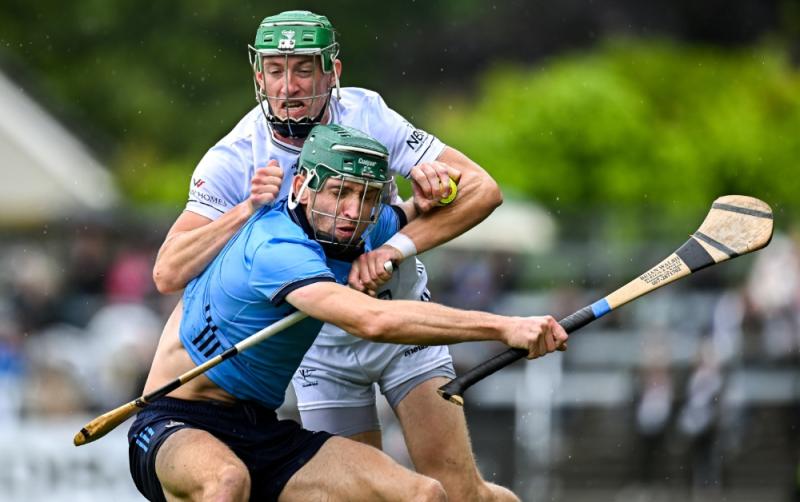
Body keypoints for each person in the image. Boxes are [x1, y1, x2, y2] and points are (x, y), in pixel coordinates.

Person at [151, 10, 514, 500]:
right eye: (276, 70)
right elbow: (169, 270)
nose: (288, 85)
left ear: (332, 73)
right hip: (320, 346)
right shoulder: (235, 157)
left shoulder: (366, 113)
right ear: (258, 75)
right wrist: (246, 209)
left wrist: (393, 245)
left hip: (401, 316)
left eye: (303, 68)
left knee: (457, 491)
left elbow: (481, 189)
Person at [130, 124, 568, 501]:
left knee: (425, 494)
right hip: (175, 419)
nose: (353, 212)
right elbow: (371, 320)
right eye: (340, 192)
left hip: (260, 429)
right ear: (302, 186)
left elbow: (432, 206)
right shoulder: (276, 247)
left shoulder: (358, 223)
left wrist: (438, 188)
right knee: (226, 483)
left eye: (366, 196)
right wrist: (504, 326)